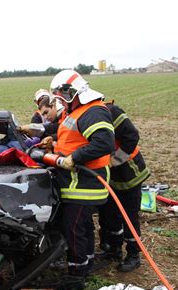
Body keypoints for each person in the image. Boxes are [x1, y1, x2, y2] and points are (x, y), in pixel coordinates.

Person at [40, 70, 115, 278]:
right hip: (77, 182)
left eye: (60, 96)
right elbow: (71, 136)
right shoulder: (77, 112)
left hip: (85, 184)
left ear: (71, 92)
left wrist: (75, 157)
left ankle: (77, 273)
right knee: (82, 226)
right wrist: (52, 140)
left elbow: (104, 143)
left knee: (73, 228)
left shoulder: (93, 111)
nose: (60, 102)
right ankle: (86, 263)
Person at [97, 101, 150, 272]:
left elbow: (132, 136)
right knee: (110, 215)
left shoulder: (111, 111)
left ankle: (134, 255)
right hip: (110, 176)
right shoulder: (85, 115)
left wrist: (115, 161)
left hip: (130, 173)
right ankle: (114, 250)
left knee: (129, 217)